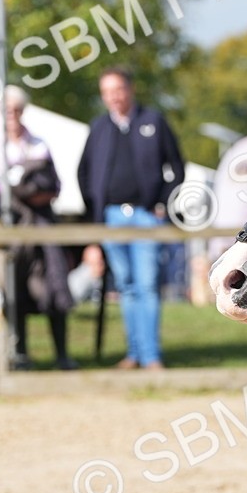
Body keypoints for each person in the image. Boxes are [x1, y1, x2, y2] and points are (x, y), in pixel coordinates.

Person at [77, 67, 184, 370]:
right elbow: (83, 172)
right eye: (106, 92)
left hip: (146, 217)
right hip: (112, 217)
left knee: (147, 285)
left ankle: (151, 356)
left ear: (130, 89)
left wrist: (162, 202)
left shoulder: (153, 121)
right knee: (126, 286)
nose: (113, 97)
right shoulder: (99, 127)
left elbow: (176, 166)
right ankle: (134, 353)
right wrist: (96, 211)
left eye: (118, 90)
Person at [0, 85, 77, 371]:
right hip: (13, 227)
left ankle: (62, 354)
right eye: (7, 110)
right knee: (14, 289)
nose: (12, 115)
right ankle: (20, 354)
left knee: (54, 286)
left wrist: (32, 191)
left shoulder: (38, 144)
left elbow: (53, 186)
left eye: (16, 110)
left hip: (42, 227)